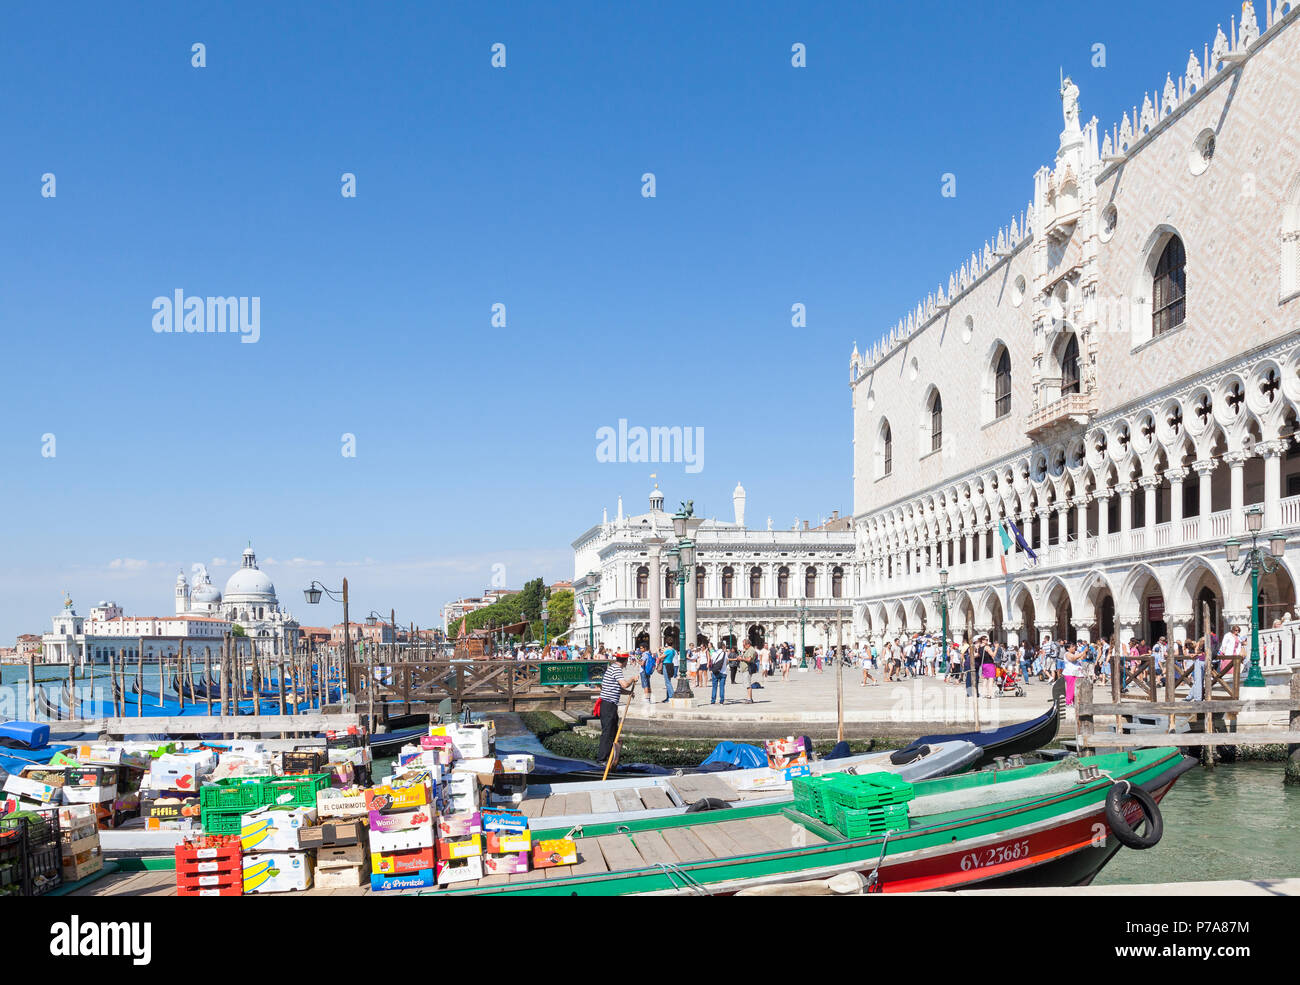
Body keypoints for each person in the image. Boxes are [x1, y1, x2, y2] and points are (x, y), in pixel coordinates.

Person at [597, 653, 638, 769]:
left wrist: (628, 693)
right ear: (624, 661)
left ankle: (611, 758)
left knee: (613, 732)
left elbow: (616, 688)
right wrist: (632, 679)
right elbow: (624, 684)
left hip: (609, 705)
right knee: (608, 732)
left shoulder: (613, 668)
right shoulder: (616, 669)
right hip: (608, 705)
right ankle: (602, 759)